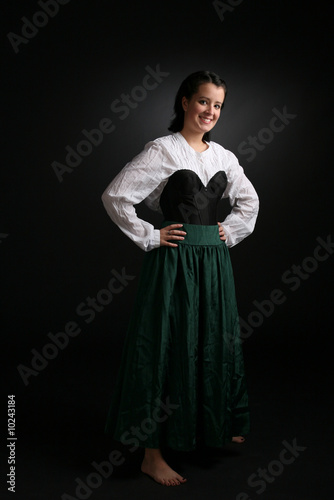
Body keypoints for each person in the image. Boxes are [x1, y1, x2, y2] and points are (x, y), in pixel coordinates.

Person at [101, 70, 259, 486]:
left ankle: (212, 424)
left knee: (212, 339)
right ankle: (152, 454)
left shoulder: (223, 156)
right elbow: (116, 195)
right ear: (186, 102)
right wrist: (152, 236)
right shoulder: (164, 150)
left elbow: (249, 202)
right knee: (167, 344)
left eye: (218, 105)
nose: (210, 111)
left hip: (214, 261)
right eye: (204, 101)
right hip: (174, 263)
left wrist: (228, 232)